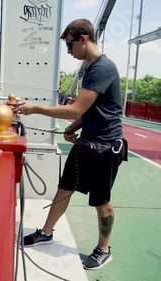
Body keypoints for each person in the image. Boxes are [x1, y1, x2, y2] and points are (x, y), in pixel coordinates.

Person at [14, 18, 127, 270]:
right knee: (64, 188)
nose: (69, 51)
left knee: (102, 201)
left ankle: (103, 249)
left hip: (106, 147)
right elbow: (90, 110)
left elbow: (76, 108)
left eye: (70, 45)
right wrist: (74, 127)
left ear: (83, 39)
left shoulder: (101, 68)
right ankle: (46, 232)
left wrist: (35, 108)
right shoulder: (91, 67)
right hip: (87, 143)